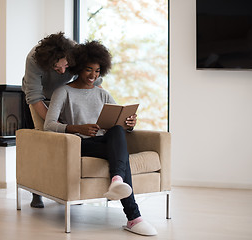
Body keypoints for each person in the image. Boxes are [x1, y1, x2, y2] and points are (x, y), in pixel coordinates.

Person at [44, 41, 157, 236]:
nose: (93, 76)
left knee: (117, 131)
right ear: (79, 67)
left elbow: (118, 120)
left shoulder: (102, 94)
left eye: (97, 71)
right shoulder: (63, 92)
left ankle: (117, 180)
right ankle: (134, 217)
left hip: (103, 142)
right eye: (88, 70)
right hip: (79, 144)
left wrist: (129, 123)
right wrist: (76, 128)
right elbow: (49, 125)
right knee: (121, 158)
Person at [22, 32, 102, 208]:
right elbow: (34, 97)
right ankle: (37, 192)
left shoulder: (76, 52)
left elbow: (94, 81)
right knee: (42, 144)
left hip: (65, 96)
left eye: (66, 66)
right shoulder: (34, 59)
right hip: (39, 99)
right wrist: (55, 122)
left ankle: (67, 190)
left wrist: (99, 105)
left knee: (69, 141)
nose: (63, 72)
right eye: (57, 69)